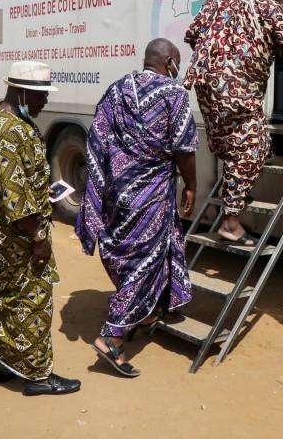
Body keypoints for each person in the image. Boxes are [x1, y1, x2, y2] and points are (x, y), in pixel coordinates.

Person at [0, 61, 81, 396]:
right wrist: (39, 237)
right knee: (34, 299)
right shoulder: (14, 131)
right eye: (40, 96)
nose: (44, 103)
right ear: (22, 91)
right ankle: (38, 376)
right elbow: (17, 202)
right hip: (16, 237)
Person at [77, 39, 199, 377]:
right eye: (179, 62)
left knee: (128, 256)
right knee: (144, 263)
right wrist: (191, 185)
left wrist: (101, 186)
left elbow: (97, 139)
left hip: (117, 193)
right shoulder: (175, 94)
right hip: (150, 197)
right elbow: (185, 148)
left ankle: (144, 312)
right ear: (171, 61)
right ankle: (111, 337)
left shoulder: (116, 90)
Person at [183, 0, 283, 246]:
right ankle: (230, 223)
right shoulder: (275, 9)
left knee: (232, 142)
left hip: (204, 82)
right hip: (238, 89)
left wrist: (217, 58)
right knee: (250, 147)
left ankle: (237, 190)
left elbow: (193, 35)